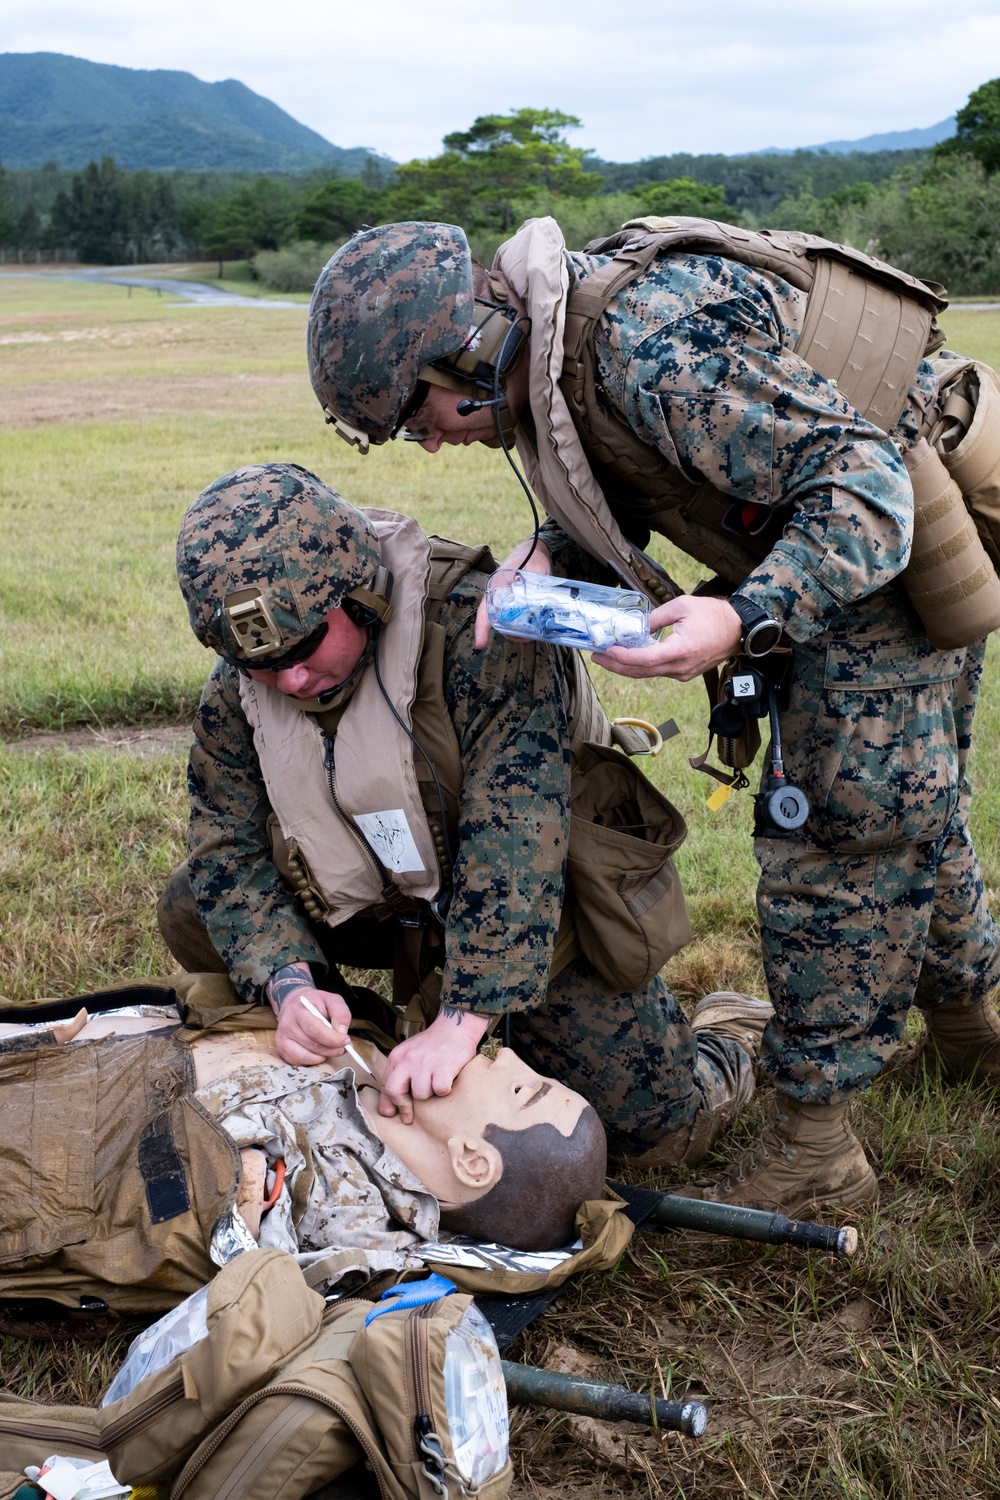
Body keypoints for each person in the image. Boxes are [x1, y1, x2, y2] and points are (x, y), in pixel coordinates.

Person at [305, 219, 1000, 1217]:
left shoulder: (647, 345)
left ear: (464, 352)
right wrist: (557, 554)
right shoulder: (560, 343)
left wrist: (738, 616)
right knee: (908, 802)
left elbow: (864, 492)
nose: (424, 441)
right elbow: (638, 462)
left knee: (844, 836)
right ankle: (970, 1020)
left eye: (415, 415)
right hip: (822, 546)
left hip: (869, 557)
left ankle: (818, 1145)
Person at [158, 461, 773, 1176]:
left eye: (302, 650)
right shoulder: (241, 686)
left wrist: (463, 1019)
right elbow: (223, 846)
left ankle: (729, 1032)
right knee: (193, 908)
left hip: (533, 897)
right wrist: (290, 985)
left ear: (359, 594)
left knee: (659, 1135)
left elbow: (518, 837)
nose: (289, 680)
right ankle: (365, 1035)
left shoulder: (480, 632)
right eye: (258, 664)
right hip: (385, 897)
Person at [0, 1004, 607, 1309]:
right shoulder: (372, 1050)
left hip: (55, 1137)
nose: (509, 1057)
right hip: (58, 1061)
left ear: (473, 1160)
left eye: (524, 1089)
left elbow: (248, 1264)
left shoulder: (340, 1211)